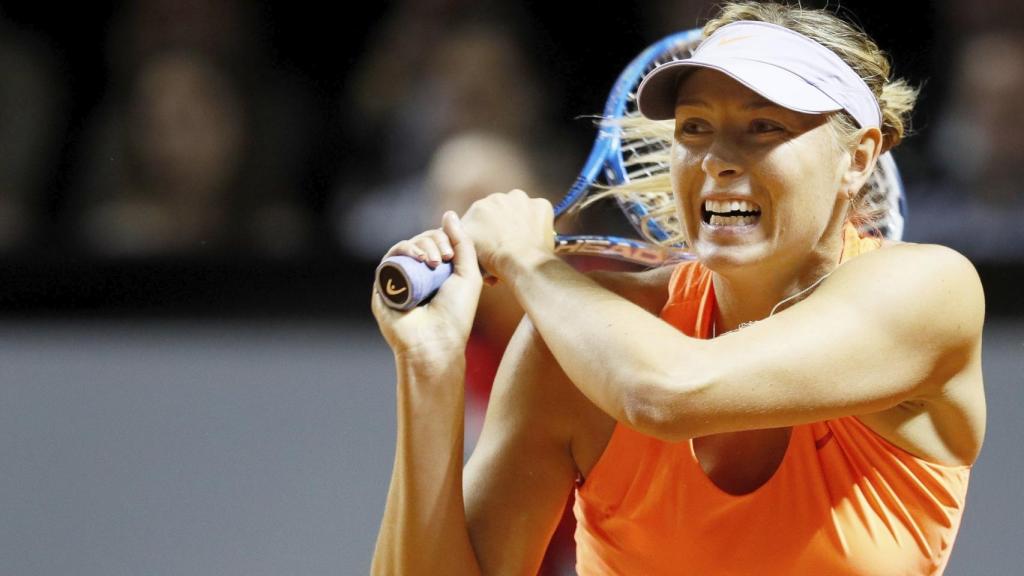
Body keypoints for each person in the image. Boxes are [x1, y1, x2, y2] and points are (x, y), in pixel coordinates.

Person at [369, 2, 986, 574]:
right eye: (694, 127)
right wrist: (428, 368)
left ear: (857, 159)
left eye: (763, 126)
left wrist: (532, 266)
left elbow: (666, 394)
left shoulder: (932, 291)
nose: (717, 157)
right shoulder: (573, 344)